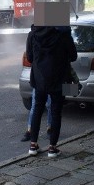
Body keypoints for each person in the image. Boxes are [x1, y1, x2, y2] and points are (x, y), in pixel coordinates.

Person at [26, 23, 77, 157]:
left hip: (39, 79)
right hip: (59, 80)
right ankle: (52, 148)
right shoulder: (64, 35)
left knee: (37, 110)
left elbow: (30, 58)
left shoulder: (32, 34)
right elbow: (73, 56)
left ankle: (33, 145)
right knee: (56, 112)